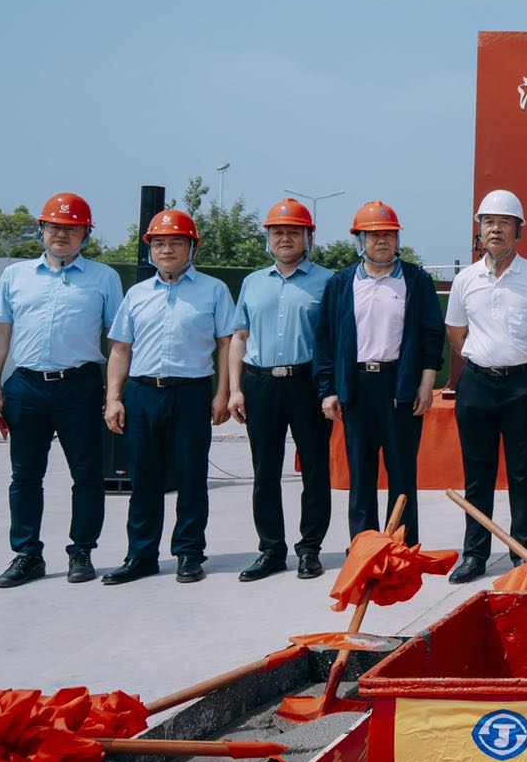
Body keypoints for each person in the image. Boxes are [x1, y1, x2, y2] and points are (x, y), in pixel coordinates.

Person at [0, 191, 124, 588]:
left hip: (79, 386)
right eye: (54, 227)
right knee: (25, 476)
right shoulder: (15, 276)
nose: (61, 234)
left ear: (86, 234)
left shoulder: (103, 278)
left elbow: (118, 340)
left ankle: (82, 551)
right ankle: (27, 554)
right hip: (26, 386)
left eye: (72, 228)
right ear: (41, 229)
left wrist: (113, 394)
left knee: (87, 474)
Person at [101, 209, 234, 584]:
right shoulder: (137, 294)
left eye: (176, 242)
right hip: (142, 392)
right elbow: (121, 348)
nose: (167, 249)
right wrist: (114, 398)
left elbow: (226, 344)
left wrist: (222, 392)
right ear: (150, 249)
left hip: (190, 392)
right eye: (159, 243)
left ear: (192, 247)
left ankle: (189, 552)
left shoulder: (213, 290)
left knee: (191, 476)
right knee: (143, 477)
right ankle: (141, 555)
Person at [445, 189, 527, 583]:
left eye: (504, 222)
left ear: (518, 230)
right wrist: (484, 357)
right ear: (479, 229)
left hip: (522, 384)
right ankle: (475, 553)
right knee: (477, 474)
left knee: (522, 473)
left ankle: (522, 552)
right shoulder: (465, 279)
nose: (495, 229)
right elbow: (456, 333)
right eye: (488, 222)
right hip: (477, 383)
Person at [316, 200, 444, 545]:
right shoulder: (341, 283)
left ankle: (402, 545)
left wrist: (426, 382)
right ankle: (364, 545)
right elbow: (325, 339)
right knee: (361, 473)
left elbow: (432, 334)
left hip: (399, 385)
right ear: (360, 240)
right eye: (373, 235)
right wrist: (328, 390)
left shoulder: (415, 280)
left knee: (402, 473)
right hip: (357, 386)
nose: (382, 240)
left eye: (388, 234)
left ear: (398, 238)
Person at [225, 198, 334, 581]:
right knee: (265, 470)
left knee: (315, 469)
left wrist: (331, 389)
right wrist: (235, 389)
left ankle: (310, 549)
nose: (284, 238)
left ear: (308, 237)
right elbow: (240, 337)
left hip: (307, 383)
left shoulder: (328, 281)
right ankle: (271, 549)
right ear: (268, 238)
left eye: (293, 232)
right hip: (261, 382)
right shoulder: (253, 283)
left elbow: (335, 340)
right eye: (277, 232)